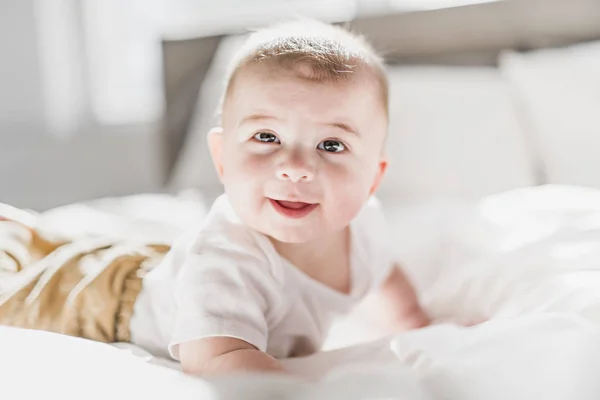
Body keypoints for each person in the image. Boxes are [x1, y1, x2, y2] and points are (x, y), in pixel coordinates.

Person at [0, 19, 429, 377]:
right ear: (222, 159)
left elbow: (384, 271)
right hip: (109, 303)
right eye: (267, 137)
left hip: (168, 271)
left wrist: (417, 324)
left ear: (373, 178)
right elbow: (219, 357)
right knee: (21, 295)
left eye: (331, 145)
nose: (295, 166)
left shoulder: (365, 224)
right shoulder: (228, 257)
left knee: (63, 251)